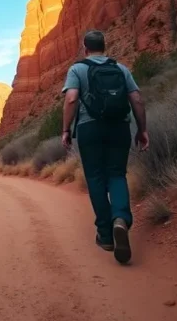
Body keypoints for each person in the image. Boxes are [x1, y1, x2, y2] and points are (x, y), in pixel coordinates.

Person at [61, 29, 148, 265]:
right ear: (104, 46)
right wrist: (142, 129)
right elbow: (137, 99)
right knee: (117, 175)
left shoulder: (77, 69)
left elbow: (71, 99)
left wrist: (66, 130)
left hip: (90, 130)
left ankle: (106, 235)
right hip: (119, 128)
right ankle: (120, 218)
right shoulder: (121, 69)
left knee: (96, 178)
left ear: (85, 48)